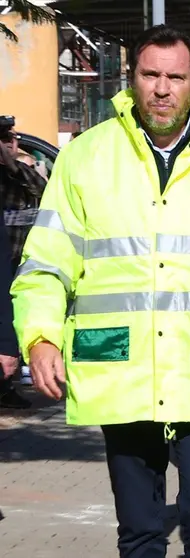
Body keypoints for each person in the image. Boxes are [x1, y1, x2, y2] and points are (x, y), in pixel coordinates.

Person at [9, 25, 190, 557]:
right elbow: (47, 259)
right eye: (151, 75)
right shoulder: (86, 158)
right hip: (122, 370)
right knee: (140, 531)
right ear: (131, 78)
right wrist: (41, 336)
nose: (162, 88)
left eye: (175, 77)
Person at [0, 123, 44, 406]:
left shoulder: (18, 173)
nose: (9, 143)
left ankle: (6, 387)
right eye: (4, 139)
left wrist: (10, 162)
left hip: (16, 257)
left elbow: (42, 189)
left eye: (11, 139)